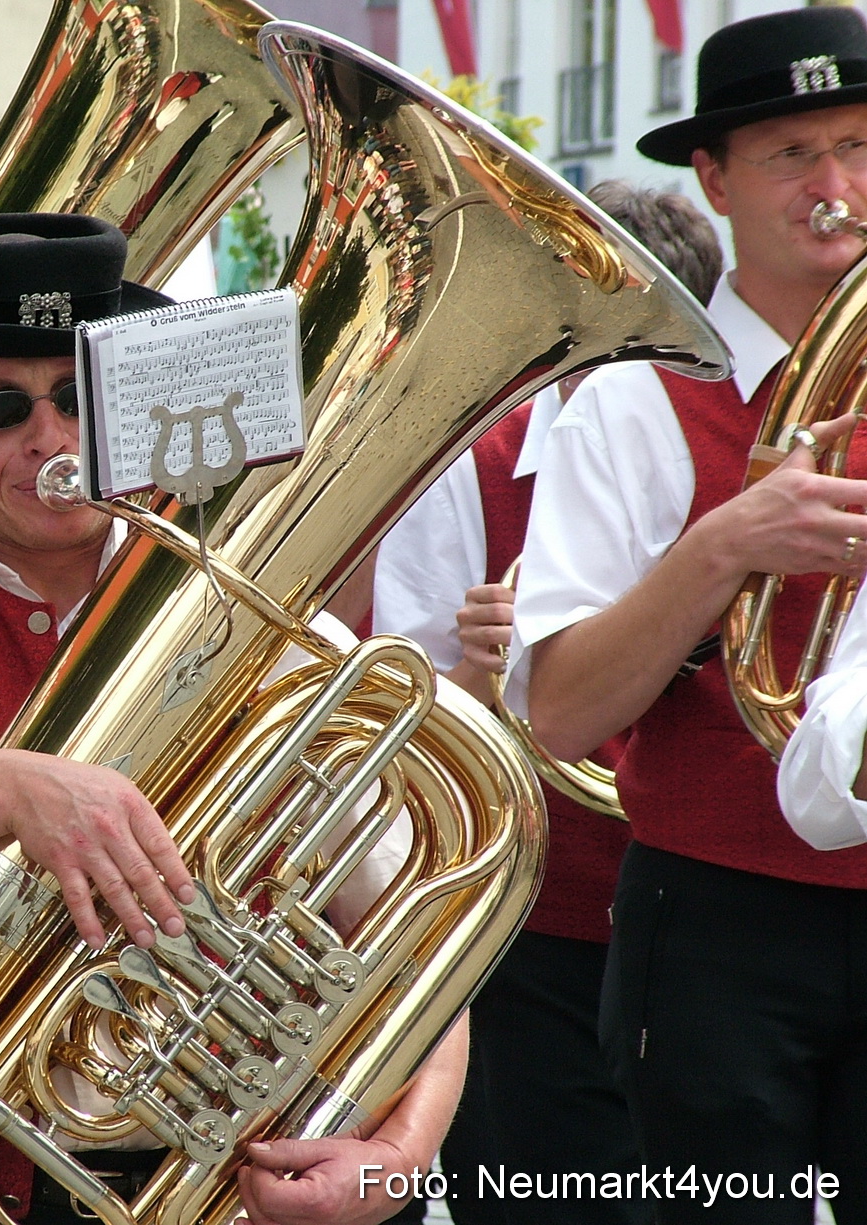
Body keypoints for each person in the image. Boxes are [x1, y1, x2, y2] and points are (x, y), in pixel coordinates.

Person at [0, 211, 468, 1225]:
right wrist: (11, 785)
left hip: (264, 1184)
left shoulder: (257, 626)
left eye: (79, 396)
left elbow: (419, 938)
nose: (51, 438)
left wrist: (396, 1153)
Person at [505, 9, 867, 1222]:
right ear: (709, 179)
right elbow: (557, 711)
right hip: (722, 922)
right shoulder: (632, 404)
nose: (835, 189)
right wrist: (723, 548)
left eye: (861, 147)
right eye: (790, 155)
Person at [373, 181, 722, 1225]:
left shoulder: (742, 456)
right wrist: (482, 672)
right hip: (524, 931)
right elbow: (398, 734)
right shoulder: (466, 468)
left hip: (710, 916)